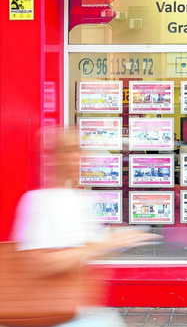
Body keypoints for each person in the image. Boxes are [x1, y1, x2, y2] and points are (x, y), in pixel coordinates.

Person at [10, 126, 161, 326]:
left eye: (80, 149)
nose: (79, 156)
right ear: (53, 157)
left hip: (77, 311)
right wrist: (105, 243)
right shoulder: (40, 201)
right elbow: (43, 263)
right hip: (52, 314)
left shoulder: (79, 199)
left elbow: (84, 247)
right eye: (71, 150)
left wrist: (112, 235)